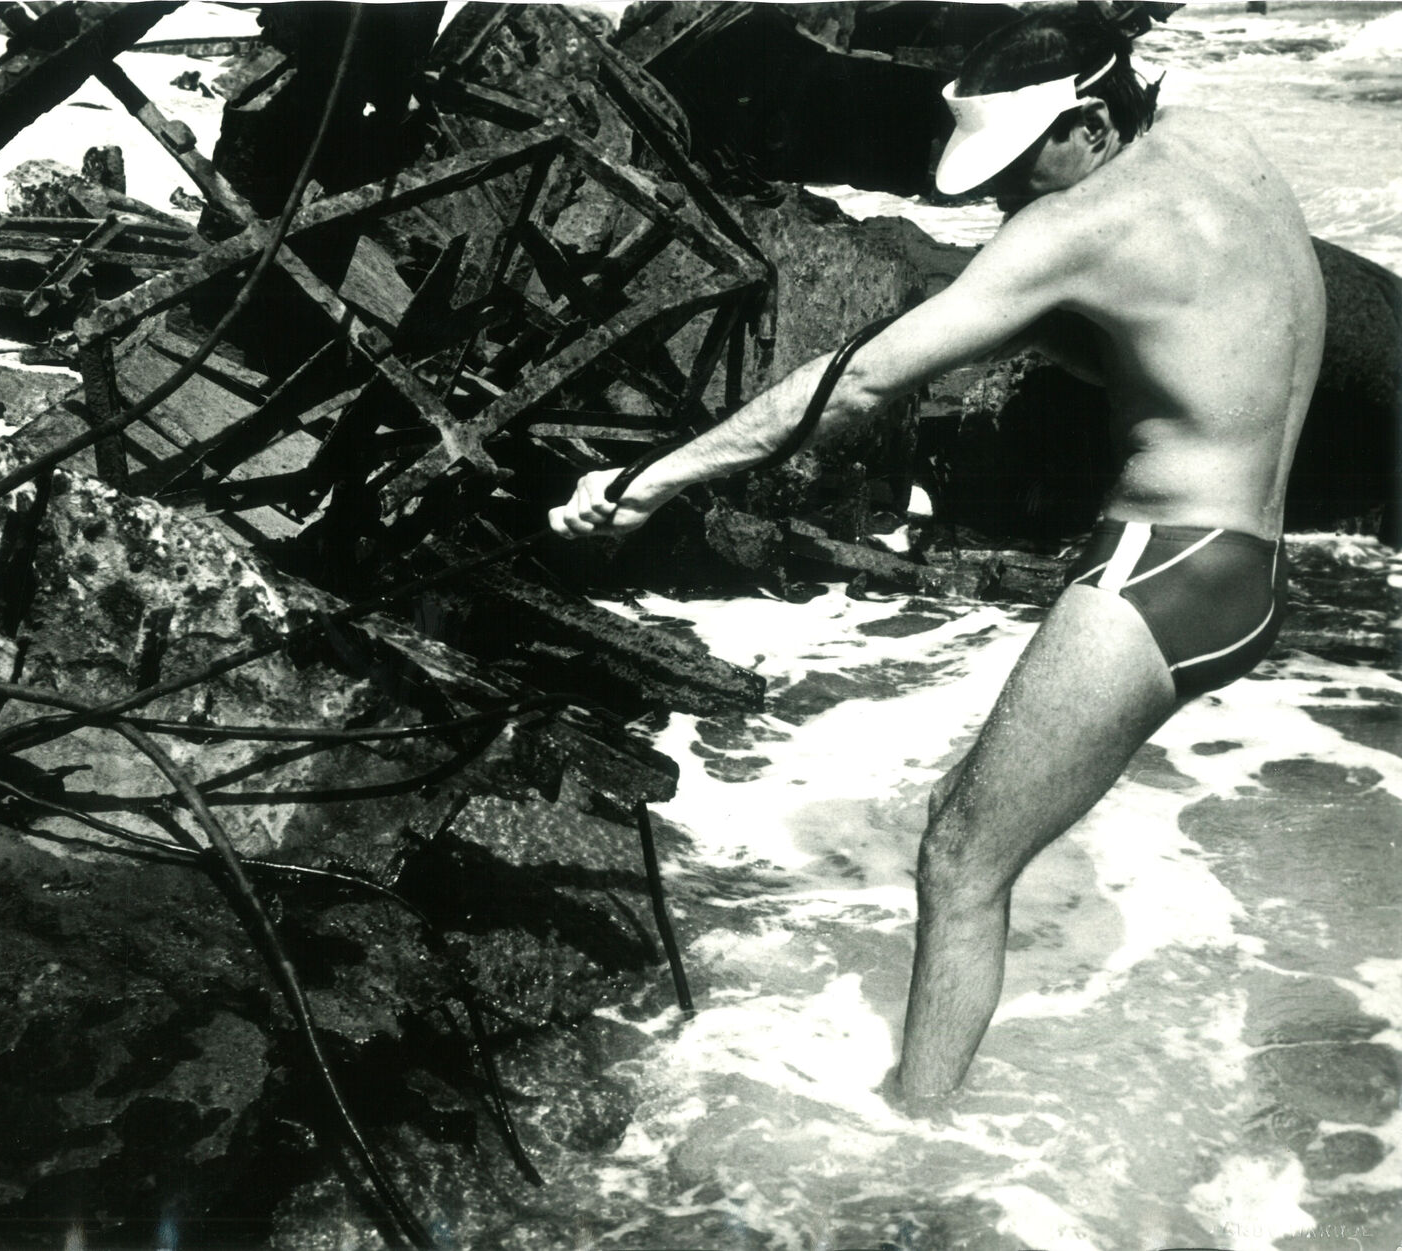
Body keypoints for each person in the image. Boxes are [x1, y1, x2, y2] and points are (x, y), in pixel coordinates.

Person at [547, 6, 1325, 1099]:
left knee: (959, 861)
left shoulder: (1074, 229)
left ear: (1091, 123)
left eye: (1017, 167)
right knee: (971, 823)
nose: (1005, 195)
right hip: (1251, 568)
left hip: (1156, 577)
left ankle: (909, 1147)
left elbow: (854, 384)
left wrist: (645, 484)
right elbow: (1219, 329)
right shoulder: (1224, 142)